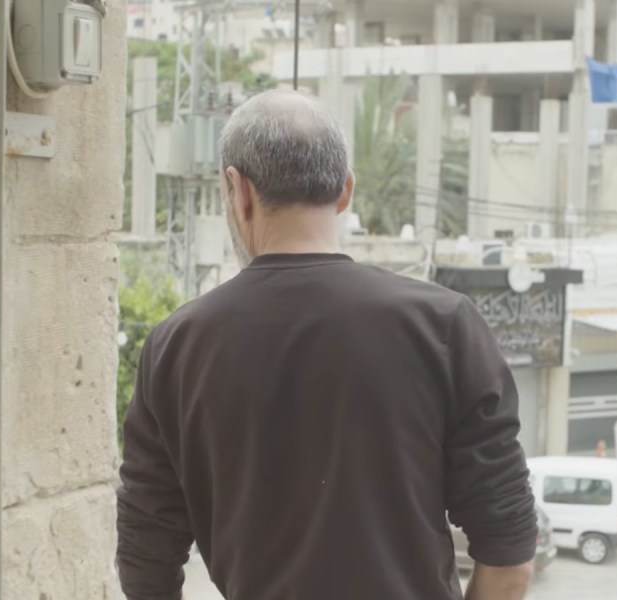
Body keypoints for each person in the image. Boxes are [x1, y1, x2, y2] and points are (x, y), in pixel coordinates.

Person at [116, 89, 537, 600]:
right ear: (345, 190)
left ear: (237, 190)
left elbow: (145, 562)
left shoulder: (175, 347)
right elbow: (509, 559)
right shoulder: (445, 326)